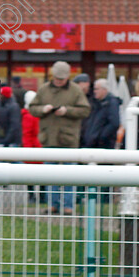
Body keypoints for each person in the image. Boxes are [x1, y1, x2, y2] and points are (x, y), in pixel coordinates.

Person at [28, 61, 91, 214]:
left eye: (61, 79)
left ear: (68, 77)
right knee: (50, 175)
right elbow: (32, 108)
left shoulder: (76, 91)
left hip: (68, 140)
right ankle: (52, 204)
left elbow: (85, 110)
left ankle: (69, 206)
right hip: (49, 139)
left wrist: (66, 111)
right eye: (56, 78)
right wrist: (43, 109)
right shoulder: (43, 90)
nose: (58, 81)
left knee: (70, 175)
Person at [81, 78, 120, 150]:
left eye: (96, 89)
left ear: (104, 90)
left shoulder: (112, 103)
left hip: (102, 146)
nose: (94, 91)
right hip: (92, 144)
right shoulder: (96, 103)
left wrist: (100, 137)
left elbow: (114, 123)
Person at [21, 90, 42, 203]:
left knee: (35, 174)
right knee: (38, 174)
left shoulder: (30, 114)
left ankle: (34, 196)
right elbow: (28, 133)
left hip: (35, 146)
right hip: (34, 146)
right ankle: (35, 196)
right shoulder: (30, 115)